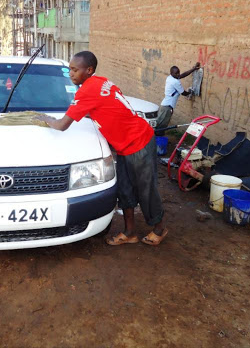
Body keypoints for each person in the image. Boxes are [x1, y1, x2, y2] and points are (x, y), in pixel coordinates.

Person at [36, 51, 167, 246]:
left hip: (139, 142)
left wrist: (47, 119)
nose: (70, 74)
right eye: (69, 70)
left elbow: (63, 125)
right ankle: (130, 232)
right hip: (125, 146)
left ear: (89, 70)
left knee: (146, 189)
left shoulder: (86, 91)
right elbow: (106, 107)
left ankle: (159, 228)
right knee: (124, 189)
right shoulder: (102, 81)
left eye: (74, 69)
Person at [156, 62, 200, 132]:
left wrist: (193, 69)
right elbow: (183, 93)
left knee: (161, 124)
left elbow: (183, 75)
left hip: (165, 105)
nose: (178, 74)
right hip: (167, 107)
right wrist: (191, 92)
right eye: (176, 73)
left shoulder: (170, 77)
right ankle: (158, 141)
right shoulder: (175, 82)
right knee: (161, 126)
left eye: (178, 72)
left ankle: (158, 139)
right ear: (171, 73)